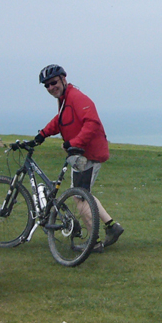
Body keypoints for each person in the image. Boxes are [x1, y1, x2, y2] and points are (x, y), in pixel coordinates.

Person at [31, 64, 124, 252]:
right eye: (46, 85)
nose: (51, 88)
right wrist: (42, 134)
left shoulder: (76, 97)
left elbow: (92, 122)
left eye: (53, 83)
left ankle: (94, 243)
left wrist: (74, 143)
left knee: (80, 198)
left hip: (88, 154)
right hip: (81, 154)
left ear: (64, 79)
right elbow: (61, 120)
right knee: (82, 194)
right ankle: (112, 227)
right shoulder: (65, 99)